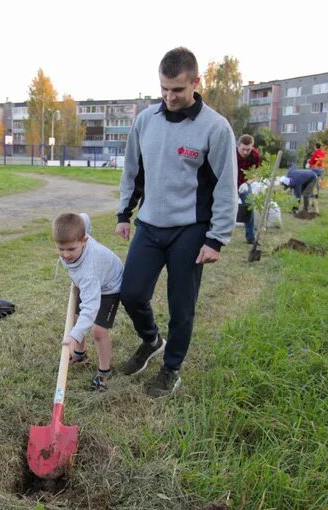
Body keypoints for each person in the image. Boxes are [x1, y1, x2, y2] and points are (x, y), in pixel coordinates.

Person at [115, 47, 237, 397]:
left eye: (178, 90)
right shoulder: (145, 122)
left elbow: (226, 187)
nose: (169, 97)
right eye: (164, 89)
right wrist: (125, 213)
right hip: (150, 226)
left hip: (191, 229)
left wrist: (216, 239)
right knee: (131, 293)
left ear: (196, 83)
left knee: (181, 305)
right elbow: (133, 171)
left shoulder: (215, 128)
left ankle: (171, 368)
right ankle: (151, 340)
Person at [53, 212, 124, 392]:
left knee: (98, 330)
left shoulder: (89, 271)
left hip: (109, 286)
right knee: (77, 318)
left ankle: (104, 371)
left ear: (84, 240)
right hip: (85, 283)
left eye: (71, 249)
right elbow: (83, 217)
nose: (65, 255)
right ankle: (80, 354)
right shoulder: (78, 231)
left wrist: (73, 336)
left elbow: (91, 308)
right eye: (61, 249)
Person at [236, 134, 262, 244]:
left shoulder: (255, 155)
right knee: (220, 207)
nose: (246, 152)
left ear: (252, 146)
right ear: (238, 146)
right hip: (229, 182)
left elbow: (257, 173)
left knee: (249, 206)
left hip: (245, 184)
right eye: (243, 149)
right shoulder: (231, 152)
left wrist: (247, 183)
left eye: (248, 149)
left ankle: (251, 237)